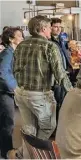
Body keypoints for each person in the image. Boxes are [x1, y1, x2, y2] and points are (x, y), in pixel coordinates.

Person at [11, 15, 73, 158]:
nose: (51, 30)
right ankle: (34, 154)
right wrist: (72, 91)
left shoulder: (21, 45)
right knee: (48, 126)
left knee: (29, 128)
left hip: (20, 92)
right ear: (43, 28)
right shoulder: (49, 46)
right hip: (39, 94)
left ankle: (24, 154)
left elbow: (15, 68)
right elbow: (60, 73)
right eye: (50, 27)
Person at [0, 28, 23, 159]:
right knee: (8, 123)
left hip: (5, 91)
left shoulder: (11, 52)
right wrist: (14, 86)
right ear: (10, 39)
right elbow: (3, 72)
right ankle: (7, 152)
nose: (22, 38)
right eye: (19, 36)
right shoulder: (8, 53)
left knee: (5, 122)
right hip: (4, 93)